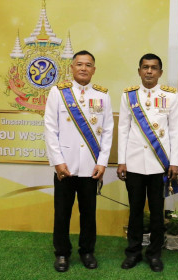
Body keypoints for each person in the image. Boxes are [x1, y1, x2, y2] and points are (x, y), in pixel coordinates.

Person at [44, 50, 114, 272]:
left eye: (88, 65)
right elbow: (50, 128)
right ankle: (62, 253)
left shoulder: (102, 96)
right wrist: (57, 161)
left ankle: (87, 251)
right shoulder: (58, 93)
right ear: (72, 68)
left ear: (94, 69)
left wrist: (102, 162)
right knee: (62, 212)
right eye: (80, 64)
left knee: (88, 213)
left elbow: (108, 132)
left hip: (91, 166)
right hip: (65, 165)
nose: (84, 68)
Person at [117, 53, 178, 272]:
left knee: (156, 213)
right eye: (145, 67)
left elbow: (175, 131)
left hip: (158, 165)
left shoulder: (170, 96)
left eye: (154, 68)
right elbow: (123, 128)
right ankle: (133, 253)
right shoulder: (129, 96)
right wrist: (122, 161)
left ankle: (154, 254)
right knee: (135, 211)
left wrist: (174, 162)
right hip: (134, 163)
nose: (149, 71)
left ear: (160, 73)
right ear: (139, 71)